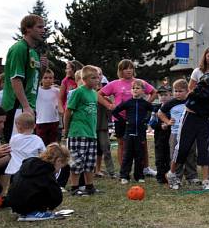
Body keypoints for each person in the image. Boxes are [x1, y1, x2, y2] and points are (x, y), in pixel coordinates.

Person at [166, 56, 209, 191]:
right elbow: (208, 81)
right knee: (182, 147)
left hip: (203, 120)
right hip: (190, 117)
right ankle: (172, 174)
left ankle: (206, 180)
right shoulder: (207, 78)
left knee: (204, 149)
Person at [100, 59, 156, 172]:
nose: (129, 70)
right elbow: (99, 94)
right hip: (120, 118)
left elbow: (154, 92)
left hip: (137, 119)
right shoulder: (114, 83)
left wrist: (145, 105)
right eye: (126, 68)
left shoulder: (139, 82)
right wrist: (108, 105)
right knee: (122, 143)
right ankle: (123, 169)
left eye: (131, 68)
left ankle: (145, 168)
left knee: (142, 142)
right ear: (120, 70)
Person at [1, 14, 48, 142]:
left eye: (44, 27)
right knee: (14, 149)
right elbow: (16, 79)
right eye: (39, 27)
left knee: (26, 150)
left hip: (29, 106)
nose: (43, 30)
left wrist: (42, 70)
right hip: (17, 107)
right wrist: (25, 106)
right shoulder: (19, 48)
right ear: (27, 29)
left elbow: (34, 81)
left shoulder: (33, 52)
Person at [65, 66, 108, 196]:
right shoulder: (78, 92)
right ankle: (74, 187)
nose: (97, 80)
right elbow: (68, 110)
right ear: (84, 79)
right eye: (93, 78)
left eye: (98, 77)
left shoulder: (94, 94)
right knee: (76, 162)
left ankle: (89, 186)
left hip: (91, 133)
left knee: (90, 162)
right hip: (78, 132)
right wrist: (66, 129)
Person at [5, 143, 70, 221]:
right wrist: (51, 206)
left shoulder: (28, 165)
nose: (59, 170)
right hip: (27, 204)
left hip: (13, 202)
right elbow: (57, 196)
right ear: (58, 161)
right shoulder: (46, 172)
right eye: (61, 167)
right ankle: (34, 212)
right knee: (48, 192)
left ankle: (25, 211)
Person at [157, 79, 198, 187]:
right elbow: (160, 113)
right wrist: (167, 121)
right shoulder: (171, 103)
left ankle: (192, 177)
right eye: (175, 91)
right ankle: (176, 177)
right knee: (176, 156)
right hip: (175, 134)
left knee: (191, 154)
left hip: (190, 133)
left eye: (180, 91)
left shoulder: (190, 101)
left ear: (187, 91)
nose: (177, 93)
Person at [111, 79, 152, 184]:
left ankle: (139, 176)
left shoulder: (145, 104)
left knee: (140, 155)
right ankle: (124, 176)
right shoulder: (128, 103)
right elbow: (115, 111)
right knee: (127, 155)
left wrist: (146, 120)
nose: (135, 90)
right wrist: (123, 121)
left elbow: (153, 111)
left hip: (141, 133)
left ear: (143, 90)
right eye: (133, 88)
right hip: (129, 133)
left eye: (137, 88)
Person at [3, 112, 46, 188]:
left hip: (15, 170)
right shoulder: (38, 139)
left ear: (19, 127)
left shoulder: (14, 139)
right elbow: (44, 153)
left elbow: (10, 149)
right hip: (31, 170)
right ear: (34, 126)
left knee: (14, 189)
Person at [95, 71, 116, 178]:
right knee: (90, 150)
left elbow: (111, 112)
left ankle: (111, 172)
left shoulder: (105, 96)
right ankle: (91, 170)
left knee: (106, 149)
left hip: (102, 127)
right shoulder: (86, 93)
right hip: (89, 127)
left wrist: (110, 103)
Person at [151, 85, 173, 184]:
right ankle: (160, 177)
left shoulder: (173, 108)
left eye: (165, 95)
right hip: (159, 136)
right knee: (160, 157)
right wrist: (160, 125)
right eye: (160, 95)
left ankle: (169, 175)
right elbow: (151, 123)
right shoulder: (156, 109)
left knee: (170, 156)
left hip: (171, 135)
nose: (163, 97)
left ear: (171, 95)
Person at [35, 68, 62, 146]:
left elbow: (60, 103)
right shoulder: (37, 91)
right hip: (41, 121)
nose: (48, 80)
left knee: (53, 144)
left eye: (50, 78)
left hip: (54, 121)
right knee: (42, 144)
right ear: (41, 79)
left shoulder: (57, 91)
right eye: (45, 78)